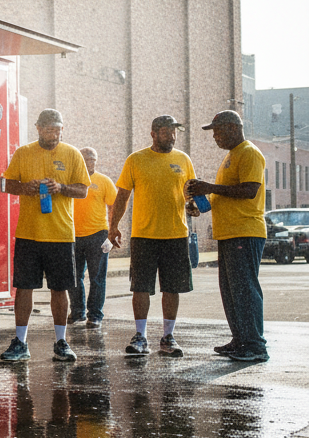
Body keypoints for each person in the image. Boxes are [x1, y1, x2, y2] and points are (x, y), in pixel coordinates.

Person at [0, 108, 90, 363]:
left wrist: (60, 187)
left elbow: (83, 191)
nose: (54, 134)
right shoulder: (23, 153)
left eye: (58, 129)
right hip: (29, 233)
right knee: (24, 287)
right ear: (38, 128)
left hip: (61, 234)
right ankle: (20, 342)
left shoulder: (71, 154)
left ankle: (61, 342)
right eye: (49, 129)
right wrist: (24, 187)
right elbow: (7, 184)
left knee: (59, 289)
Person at [108, 115, 196, 357]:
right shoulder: (136, 160)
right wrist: (113, 226)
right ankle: (141, 337)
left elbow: (191, 194)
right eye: (167, 131)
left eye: (175, 131)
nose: (172, 136)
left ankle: (168, 337)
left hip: (176, 234)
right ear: (154, 133)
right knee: (141, 288)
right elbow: (122, 196)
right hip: (144, 235)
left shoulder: (183, 159)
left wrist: (194, 206)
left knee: (172, 288)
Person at [186, 110, 268, 363]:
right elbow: (227, 194)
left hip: (246, 232)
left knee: (245, 289)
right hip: (230, 234)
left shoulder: (249, 153)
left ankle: (255, 346)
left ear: (233, 128)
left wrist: (209, 187)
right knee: (231, 291)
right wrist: (201, 205)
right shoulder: (232, 156)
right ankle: (240, 340)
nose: (215, 137)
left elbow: (249, 190)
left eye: (218, 131)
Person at [68, 148, 117, 329]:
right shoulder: (71, 180)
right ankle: (77, 312)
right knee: (74, 277)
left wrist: (112, 232)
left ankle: (95, 315)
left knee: (97, 278)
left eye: (93, 159)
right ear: (79, 160)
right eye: (87, 158)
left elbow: (114, 206)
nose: (90, 162)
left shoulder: (104, 181)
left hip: (98, 235)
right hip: (72, 236)